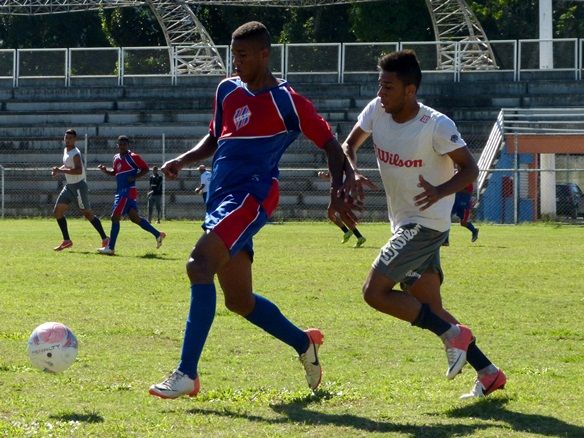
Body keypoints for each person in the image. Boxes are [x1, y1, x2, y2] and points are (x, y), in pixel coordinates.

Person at [149, 21, 358, 399]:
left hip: (251, 196)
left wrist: (337, 190)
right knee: (239, 300)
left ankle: (186, 373)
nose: (236, 62)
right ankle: (303, 343)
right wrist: (182, 159)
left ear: (265, 54)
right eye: (234, 55)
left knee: (198, 265)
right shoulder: (227, 90)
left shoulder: (287, 100)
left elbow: (331, 144)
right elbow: (216, 136)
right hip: (220, 198)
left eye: (243, 55)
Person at [341, 50, 505, 399]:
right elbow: (348, 145)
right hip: (402, 222)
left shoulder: (436, 125)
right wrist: (352, 170)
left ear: (410, 90)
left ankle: (452, 336)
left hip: (425, 225)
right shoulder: (376, 111)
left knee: (374, 292)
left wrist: (439, 193)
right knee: (432, 307)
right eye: (379, 85)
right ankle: (489, 372)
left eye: (388, 87)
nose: (380, 93)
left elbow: (471, 169)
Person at [97, 135, 166, 255]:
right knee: (135, 218)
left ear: (127, 145)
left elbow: (145, 169)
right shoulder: (116, 158)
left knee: (115, 217)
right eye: (120, 144)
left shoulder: (132, 157)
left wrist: (134, 177)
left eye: (124, 144)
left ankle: (111, 247)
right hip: (121, 192)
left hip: (127, 191)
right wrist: (105, 170)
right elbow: (115, 172)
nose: (122, 146)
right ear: (117, 145)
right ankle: (158, 234)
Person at [51, 128, 109, 251]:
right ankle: (67, 241)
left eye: (70, 138)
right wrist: (58, 170)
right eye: (66, 137)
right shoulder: (66, 150)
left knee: (87, 214)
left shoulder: (75, 153)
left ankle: (105, 239)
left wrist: (61, 170)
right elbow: (67, 165)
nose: (67, 140)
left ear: (75, 140)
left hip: (78, 186)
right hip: (69, 186)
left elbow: (79, 170)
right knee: (57, 212)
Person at [317, 170, 366, 248]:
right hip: (337, 194)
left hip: (342, 194)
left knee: (339, 215)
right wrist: (324, 175)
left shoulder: (342, 163)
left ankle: (356, 236)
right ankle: (353, 234)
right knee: (333, 215)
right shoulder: (334, 164)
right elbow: (331, 176)